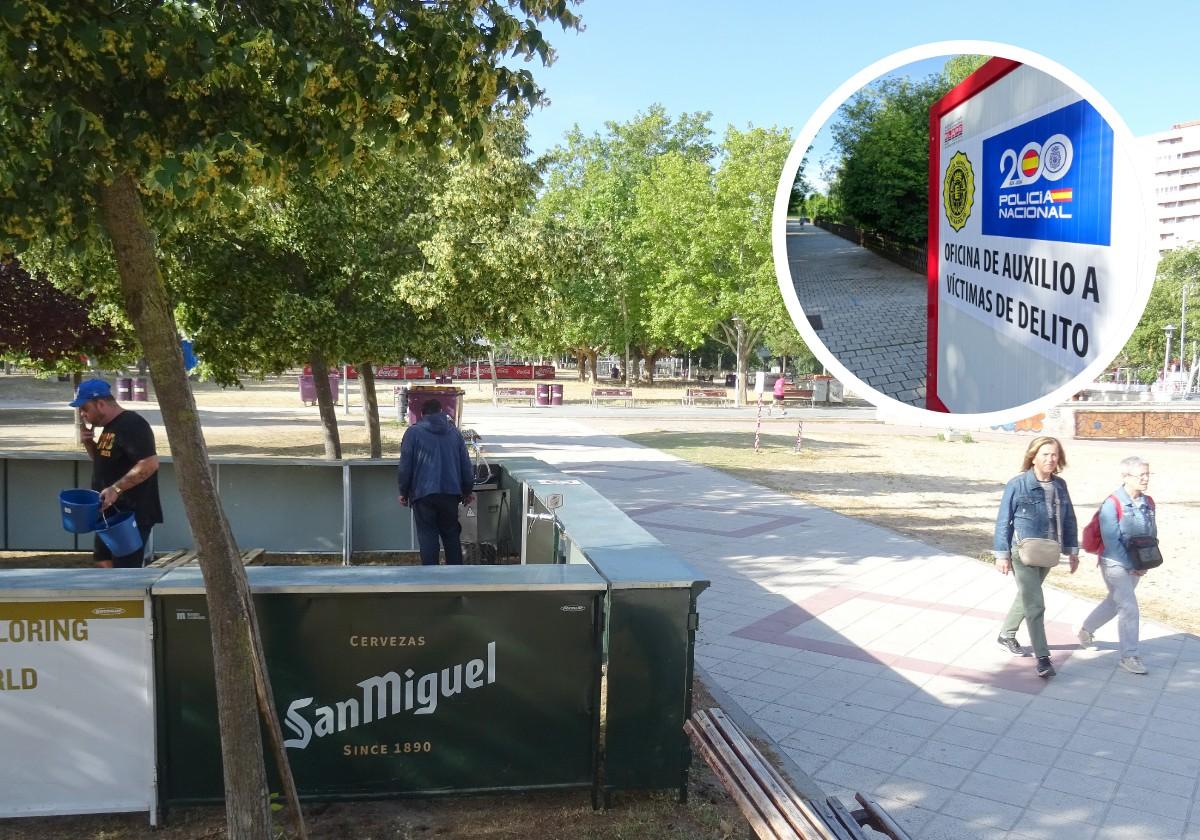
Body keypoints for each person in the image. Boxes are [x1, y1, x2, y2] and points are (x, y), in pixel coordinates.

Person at [992, 435, 1079, 678]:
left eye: (1054, 454)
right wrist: (1001, 555)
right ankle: (1043, 658)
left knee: (1027, 595)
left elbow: (1069, 518)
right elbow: (1003, 521)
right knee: (1036, 603)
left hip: (1048, 551)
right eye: (1045, 454)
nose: (1051, 459)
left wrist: (1072, 550)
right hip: (1023, 552)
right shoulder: (1017, 484)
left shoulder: (1060, 485)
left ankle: (1005, 634)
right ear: (1033, 456)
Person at [71, 379, 162, 568]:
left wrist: (116, 489)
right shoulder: (109, 427)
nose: (83, 414)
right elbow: (105, 461)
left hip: (129, 514)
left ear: (101, 404)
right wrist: (90, 444)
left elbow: (150, 463)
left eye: (85, 408)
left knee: (124, 570)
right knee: (103, 562)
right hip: (107, 512)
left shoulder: (132, 424)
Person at [1078, 457, 1156, 675]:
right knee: (1129, 606)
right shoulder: (1111, 504)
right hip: (1114, 562)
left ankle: (1086, 630)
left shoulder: (1148, 503)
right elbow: (1111, 541)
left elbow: (1151, 534)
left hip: (1136, 564)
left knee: (1115, 601)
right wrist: (1132, 565)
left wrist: (1145, 562)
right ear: (1125, 477)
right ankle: (1129, 656)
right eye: (1141, 475)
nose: (1146, 478)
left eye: (1148, 474)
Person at [397, 399, 476, 566]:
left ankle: (430, 581)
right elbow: (465, 465)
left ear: (422, 415)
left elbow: (405, 466)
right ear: (442, 412)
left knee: (427, 536)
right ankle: (456, 580)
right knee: (451, 535)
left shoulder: (413, 433)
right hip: (450, 494)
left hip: (423, 494)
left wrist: (403, 492)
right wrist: (467, 491)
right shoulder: (454, 433)